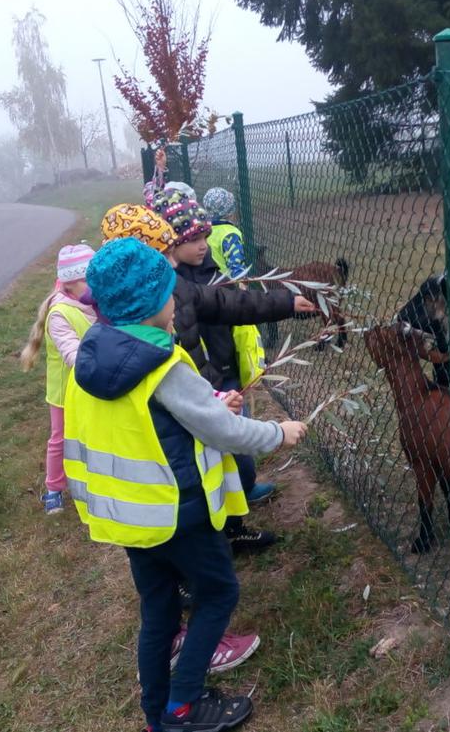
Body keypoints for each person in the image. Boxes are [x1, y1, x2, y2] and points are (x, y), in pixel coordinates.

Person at [64, 237, 306, 732]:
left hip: (128, 518)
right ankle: (184, 706)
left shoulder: (93, 356)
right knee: (217, 595)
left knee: (159, 609)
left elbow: (156, 418)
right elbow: (222, 431)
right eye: (170, 293)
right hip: (178, 514)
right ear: (154, 305)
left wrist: (210, 399)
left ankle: (156, 713)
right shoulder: (163, 365)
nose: (177, 301)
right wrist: (278, 434)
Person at [159, 200, 317, 550]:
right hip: (201, 388)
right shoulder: (165, 290)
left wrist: (285, 303)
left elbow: (235, 306)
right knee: (216, 462)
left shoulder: (204, 277)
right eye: (191, 239)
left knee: (236, 462)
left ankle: (232, 525)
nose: (202, 244)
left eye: (205, 236)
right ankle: (213, 537)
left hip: (223, 377)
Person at [19, 244, 98, 514]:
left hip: (92, 387)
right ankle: (54, 488)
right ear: (70, 283)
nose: (95, 286)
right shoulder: (60, 313)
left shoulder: (91, 303)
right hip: (65, 392)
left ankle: (90, 482)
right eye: (89, 280)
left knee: (90, 437)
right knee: (60, 439)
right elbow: (72, 353)